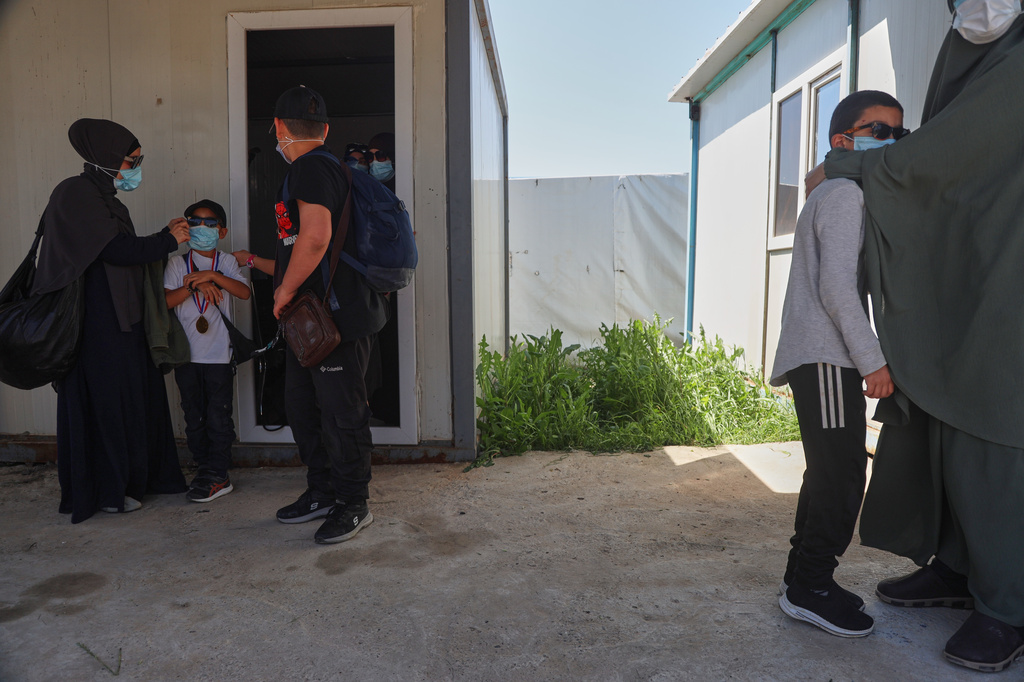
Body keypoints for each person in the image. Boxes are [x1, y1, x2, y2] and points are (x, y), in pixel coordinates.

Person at [809, 1, 1024, 671]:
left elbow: (936, 161)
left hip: (1005, 278)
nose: (980, 7)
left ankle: (1008, 606)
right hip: (964, 275)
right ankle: (961, 569)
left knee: (991, 434)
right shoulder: (967, 61)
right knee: (939, 429)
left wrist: (848, 166)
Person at [770, 91, 901, 638]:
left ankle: (801, 580)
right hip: (827, 355)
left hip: (823, 354)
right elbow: (838, 291)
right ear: (843, 141)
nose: (892, 141)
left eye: (899, 133)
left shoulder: (834, 189)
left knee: (828, 472)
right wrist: (873, 361)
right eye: (880, 130)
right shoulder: (846, 194)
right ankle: (811, 587)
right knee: (844, 475)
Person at [31, 118, 191, 523]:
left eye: (138, 159)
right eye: (131, 160)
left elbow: (121, 250)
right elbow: (115, 251)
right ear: (104, 159)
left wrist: (161, 239)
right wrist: (167, 241)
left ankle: (133, 481)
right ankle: (106, 490)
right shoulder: (75, 193)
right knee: (103, 404)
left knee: (130, 399)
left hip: (119, 321)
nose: (135, 167)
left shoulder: (105, 198)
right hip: (94, 325)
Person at [269, 85, 389, 544]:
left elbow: (315, 238)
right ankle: (321, 491)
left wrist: (284, 289)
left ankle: (353, 503)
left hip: (335, 317)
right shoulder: (318, 166)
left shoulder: (312, 168)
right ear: (326, 128)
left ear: (278, 127)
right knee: (303, 407)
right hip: (312, 317)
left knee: (342, 413)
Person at [164, 199, 251, 503]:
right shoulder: (177, 264)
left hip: (218, 358)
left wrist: (212, 277)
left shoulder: (225, 262)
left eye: (210, 223)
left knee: (218, 416)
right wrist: (193, 286)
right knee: (194, 416)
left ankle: (219, 474)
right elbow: (165, 301)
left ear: (222, 231)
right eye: (195, 222)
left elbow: (244, 292)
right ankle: (205, 469)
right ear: (186, 228)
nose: (202, 228)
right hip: (186, 358)